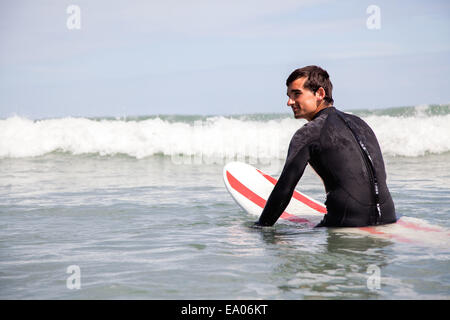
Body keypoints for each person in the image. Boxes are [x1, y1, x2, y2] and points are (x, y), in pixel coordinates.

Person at [255, 65, 396, 227]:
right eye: (288, 96)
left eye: (296, 94)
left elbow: (284, 190)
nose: (289, 102)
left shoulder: (309, 132)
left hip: (346, 223)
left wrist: (261, 227)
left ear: (320, 94)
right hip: (388, 217)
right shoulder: (360, 123)